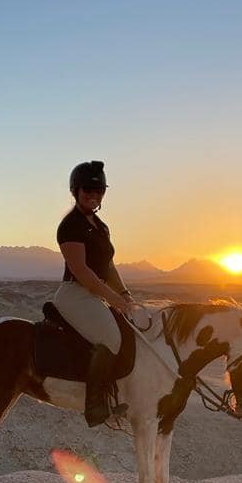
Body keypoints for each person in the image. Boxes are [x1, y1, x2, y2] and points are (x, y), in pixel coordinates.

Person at [53, 160, 148, 427]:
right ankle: (96, 405)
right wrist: (114, 300)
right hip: (75, 293)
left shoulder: (101, 226)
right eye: (88, 190)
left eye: (99, 190)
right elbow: (82, 271)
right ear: (76, 190)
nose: (94, 195)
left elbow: (108, 266)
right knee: (111, 338)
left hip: (94, 294)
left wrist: (125, 295)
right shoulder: (70, 225)